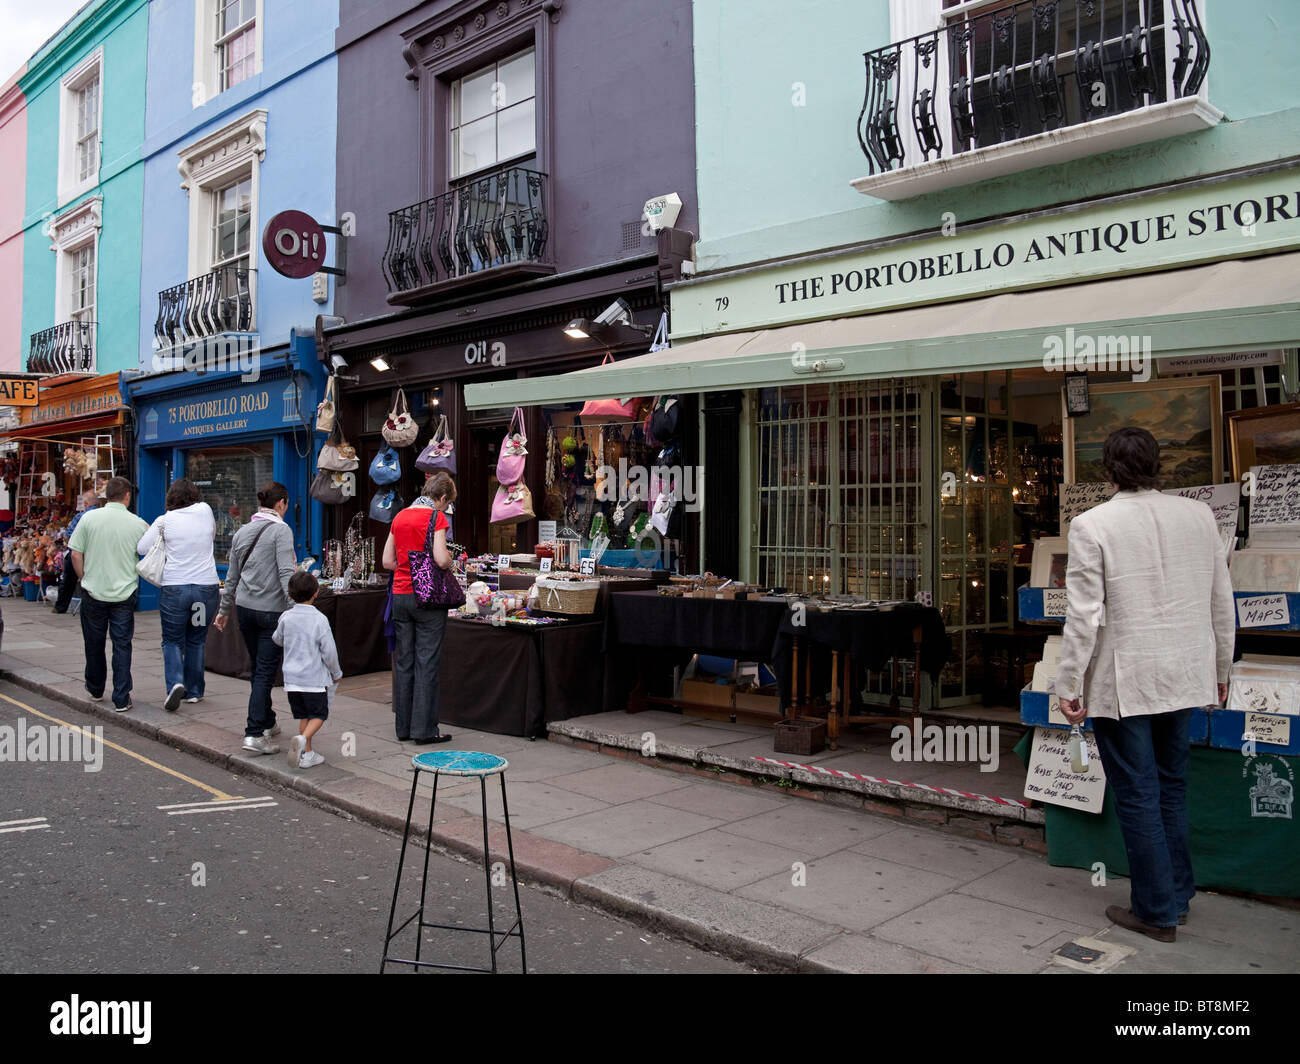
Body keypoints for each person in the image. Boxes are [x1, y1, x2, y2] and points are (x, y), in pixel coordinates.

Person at [1057, 427, 1234, 943]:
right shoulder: (1199, 515)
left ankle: (1156, 909)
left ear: (1108, 470)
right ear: (1159, 464)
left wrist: (1069, 684)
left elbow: (1083, 615)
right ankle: (1176, 896)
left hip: (1126, 678)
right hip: (1183, 673)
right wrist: (1222, 670)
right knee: (1171, 786)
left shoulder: (1092, 524)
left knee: (1138, 794)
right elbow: (1220, 599)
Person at [213, 482, 296, 755]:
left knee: (259, 669)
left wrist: (224, 611)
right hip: (271, 612)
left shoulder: (242, 532)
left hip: (245, 611)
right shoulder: (281, 531)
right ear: (281, 503)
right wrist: (298, 610)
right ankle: (254, 733)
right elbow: (287, 574)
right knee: (264, 672)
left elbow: (231, 579)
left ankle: (268, 722)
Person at [382, 472, 456, 744]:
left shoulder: (399, 516)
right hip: (427, 598)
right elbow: (440, 558)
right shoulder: (436, 518)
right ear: (443, 497)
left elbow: (387, 561)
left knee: (404, 662)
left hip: (400, 595)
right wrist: (451, 560)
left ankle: (403, 727)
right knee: (427, 662)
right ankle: (424, 730)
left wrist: (407, 562)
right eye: (446, 503)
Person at [137, 478, 219, 711]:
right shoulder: (205, 511)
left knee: (172, 640)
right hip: (205, 589)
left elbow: (142, 548)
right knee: (196, 639)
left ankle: (175, 683)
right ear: (194, 495)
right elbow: (211, 535)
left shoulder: (164, 521)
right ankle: (194, 692)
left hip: (176, 590)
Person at [68, 477, 149, 712]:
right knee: (122, 645)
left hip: (93, 591)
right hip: (124, 594)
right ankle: (122, 697)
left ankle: (95, 689)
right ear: (127, 496)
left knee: (93, 643)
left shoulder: (89, 518)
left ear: (107, 496)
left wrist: (84, 577)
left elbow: (75, 554)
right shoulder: (138, 524)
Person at [272, 571, 342, 769]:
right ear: (316, 593)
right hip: (314, 678)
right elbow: (329, 651)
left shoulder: (286, 617)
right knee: (319, 715)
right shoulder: (319, 619)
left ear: (291, 593)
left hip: (292, 679)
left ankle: (307, 754)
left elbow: (277, 639)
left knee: (304, 715)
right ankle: (303, 739)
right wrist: (336, 673)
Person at [55, 490, 99, 614]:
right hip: (96, 554)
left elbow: (68, 535)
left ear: (85, 503)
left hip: (79, 553)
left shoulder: (81, 516)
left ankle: (61, 607)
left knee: (68, 580)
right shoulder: (103, 516)